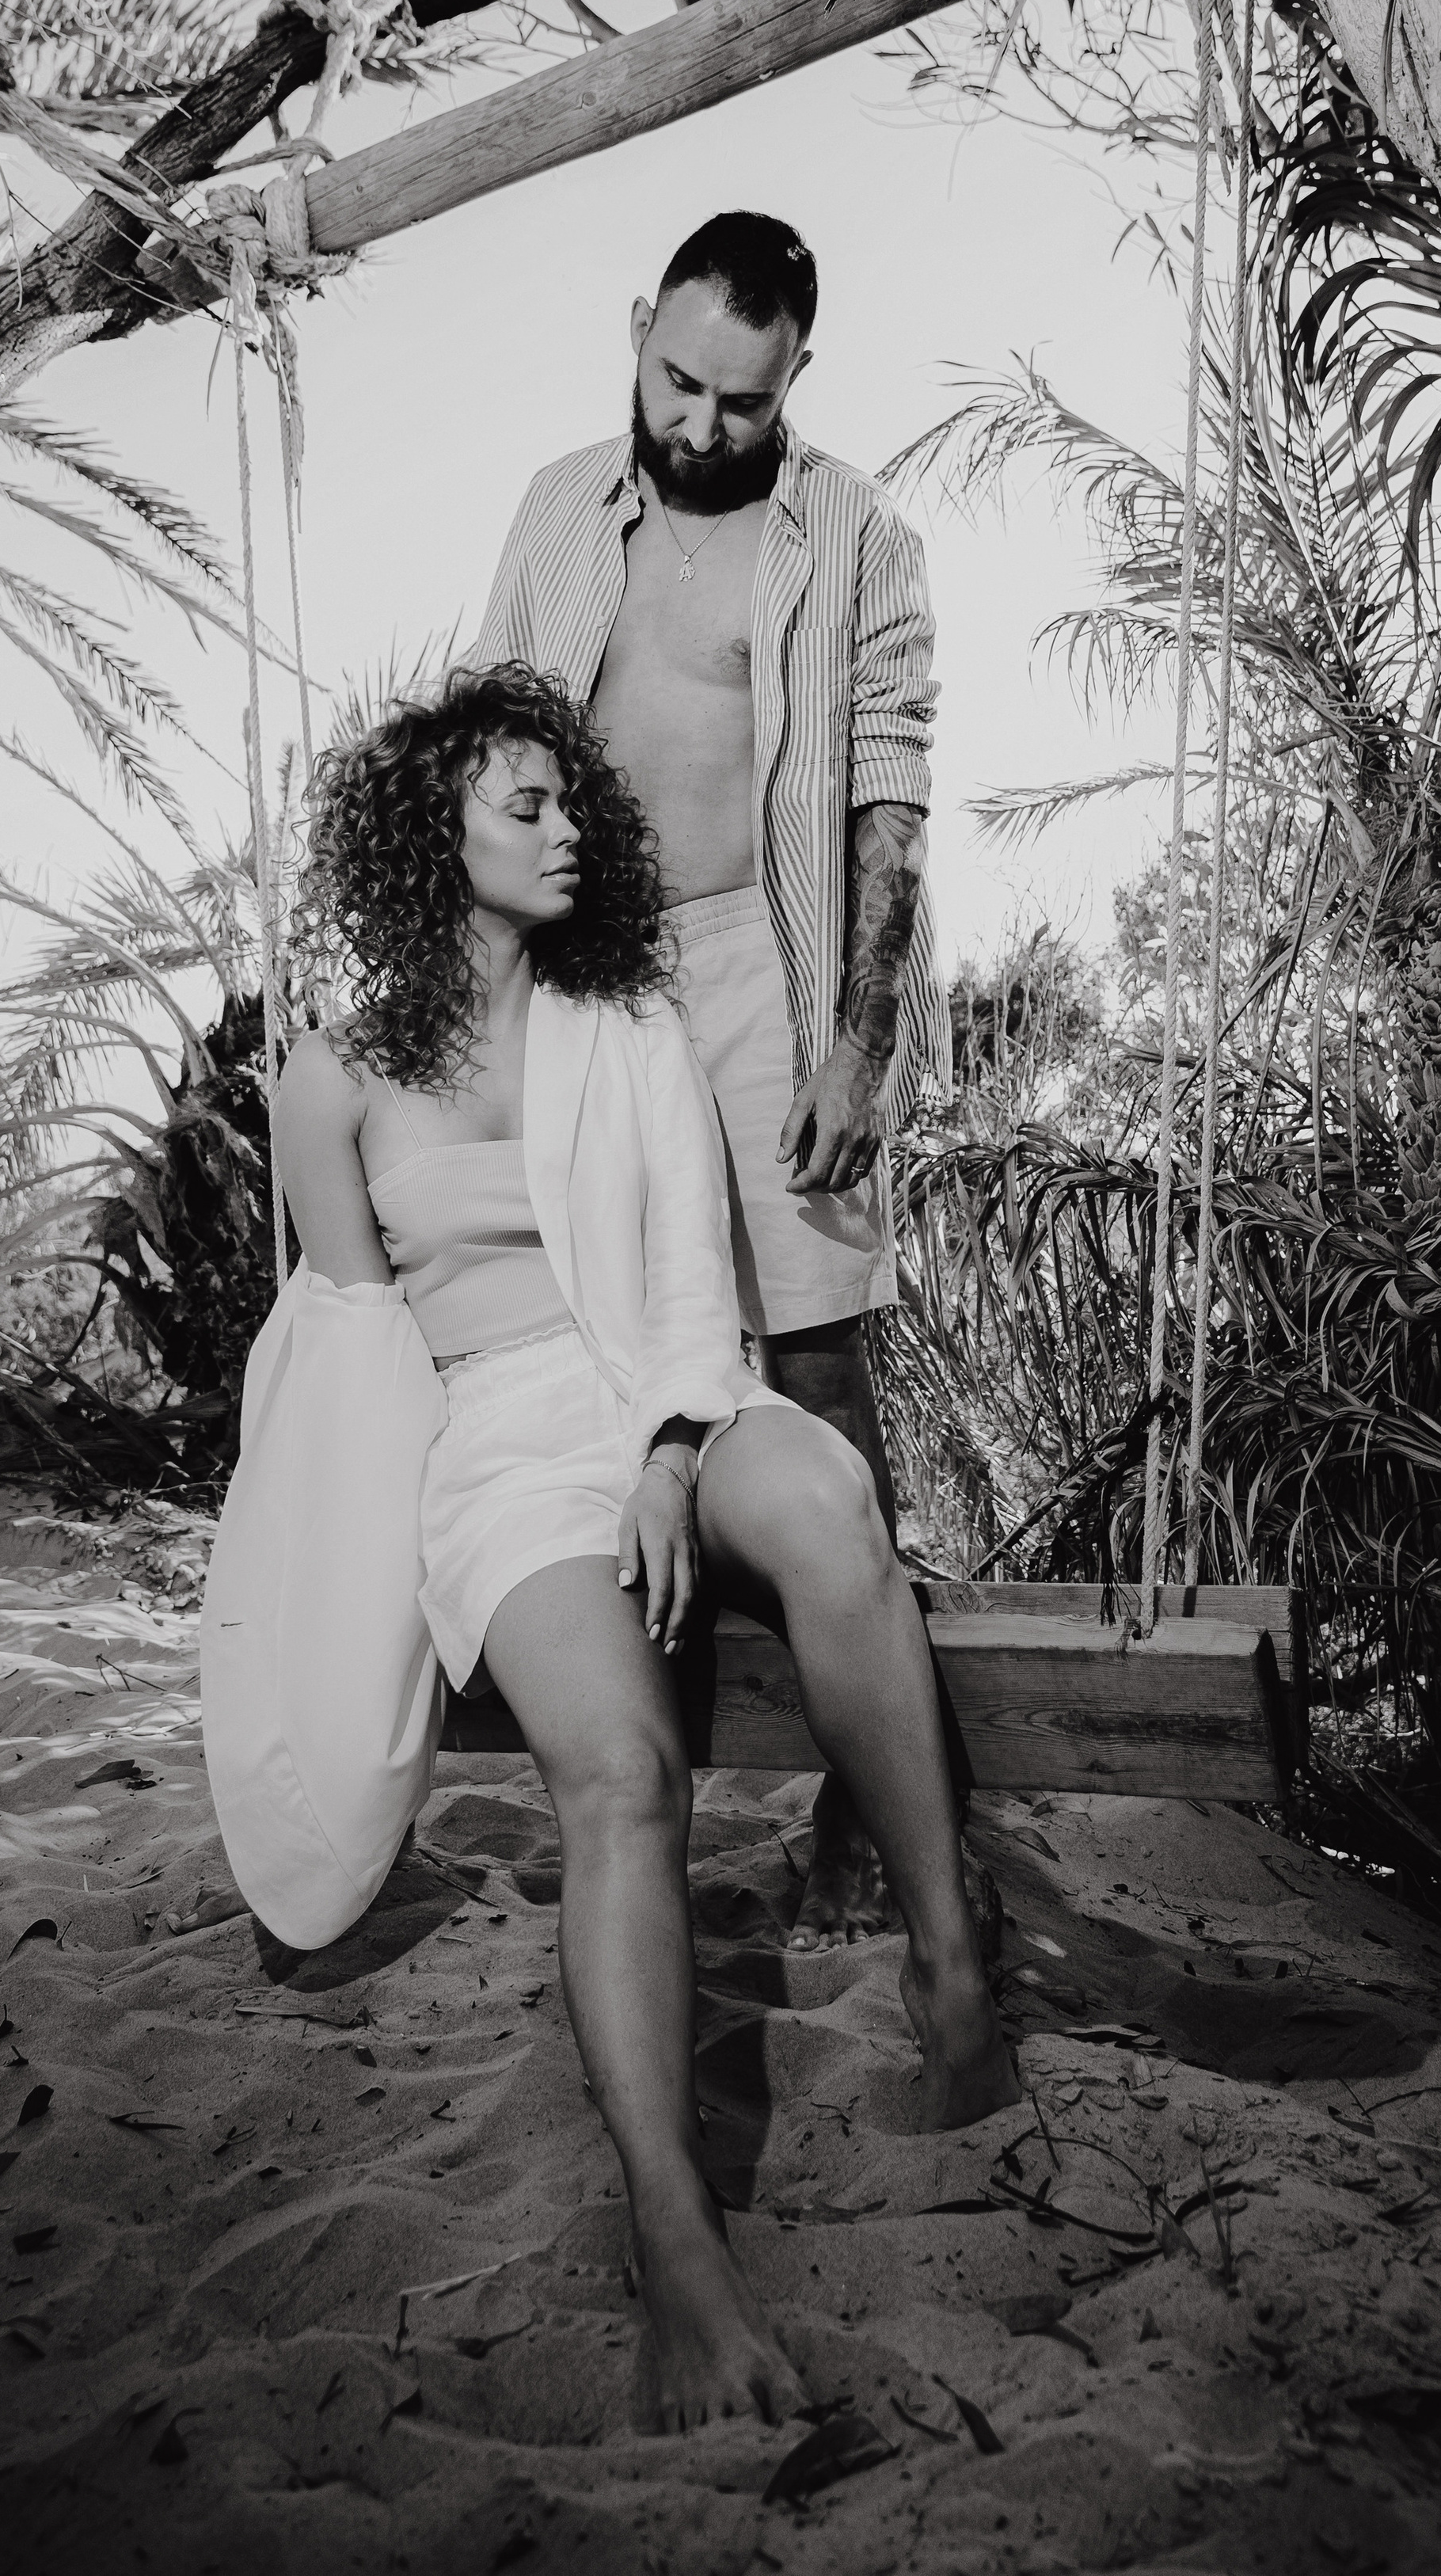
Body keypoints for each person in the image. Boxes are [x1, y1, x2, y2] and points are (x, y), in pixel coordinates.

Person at [200, 664, 1016, 2437]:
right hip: (493, 1446)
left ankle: (953, 1966)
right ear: (440, 837)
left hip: (663, 1392)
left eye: (571, 805)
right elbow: (348, 1359)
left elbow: (681, 1286)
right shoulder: (328, 1085)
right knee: (621, 1780)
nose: (570, 827)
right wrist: (327, 1616)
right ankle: (674, 2243)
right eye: (528, 807)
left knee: (818, 1501)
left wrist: (665, 1450)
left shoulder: (626, 1014)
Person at [475, 211, 947, 1950]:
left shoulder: (858, 537)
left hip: (769, 959)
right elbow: (487, 753)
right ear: (638, 329)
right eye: (675, 378)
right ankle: (630, 1766)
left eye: (739, 403)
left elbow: (888, 795)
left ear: (793, 380)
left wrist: (860, 1038)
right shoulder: (549, 506)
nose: (695, 425)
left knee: (814, 1362)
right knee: (579, 1341)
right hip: (583, 971)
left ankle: (865, 1811)